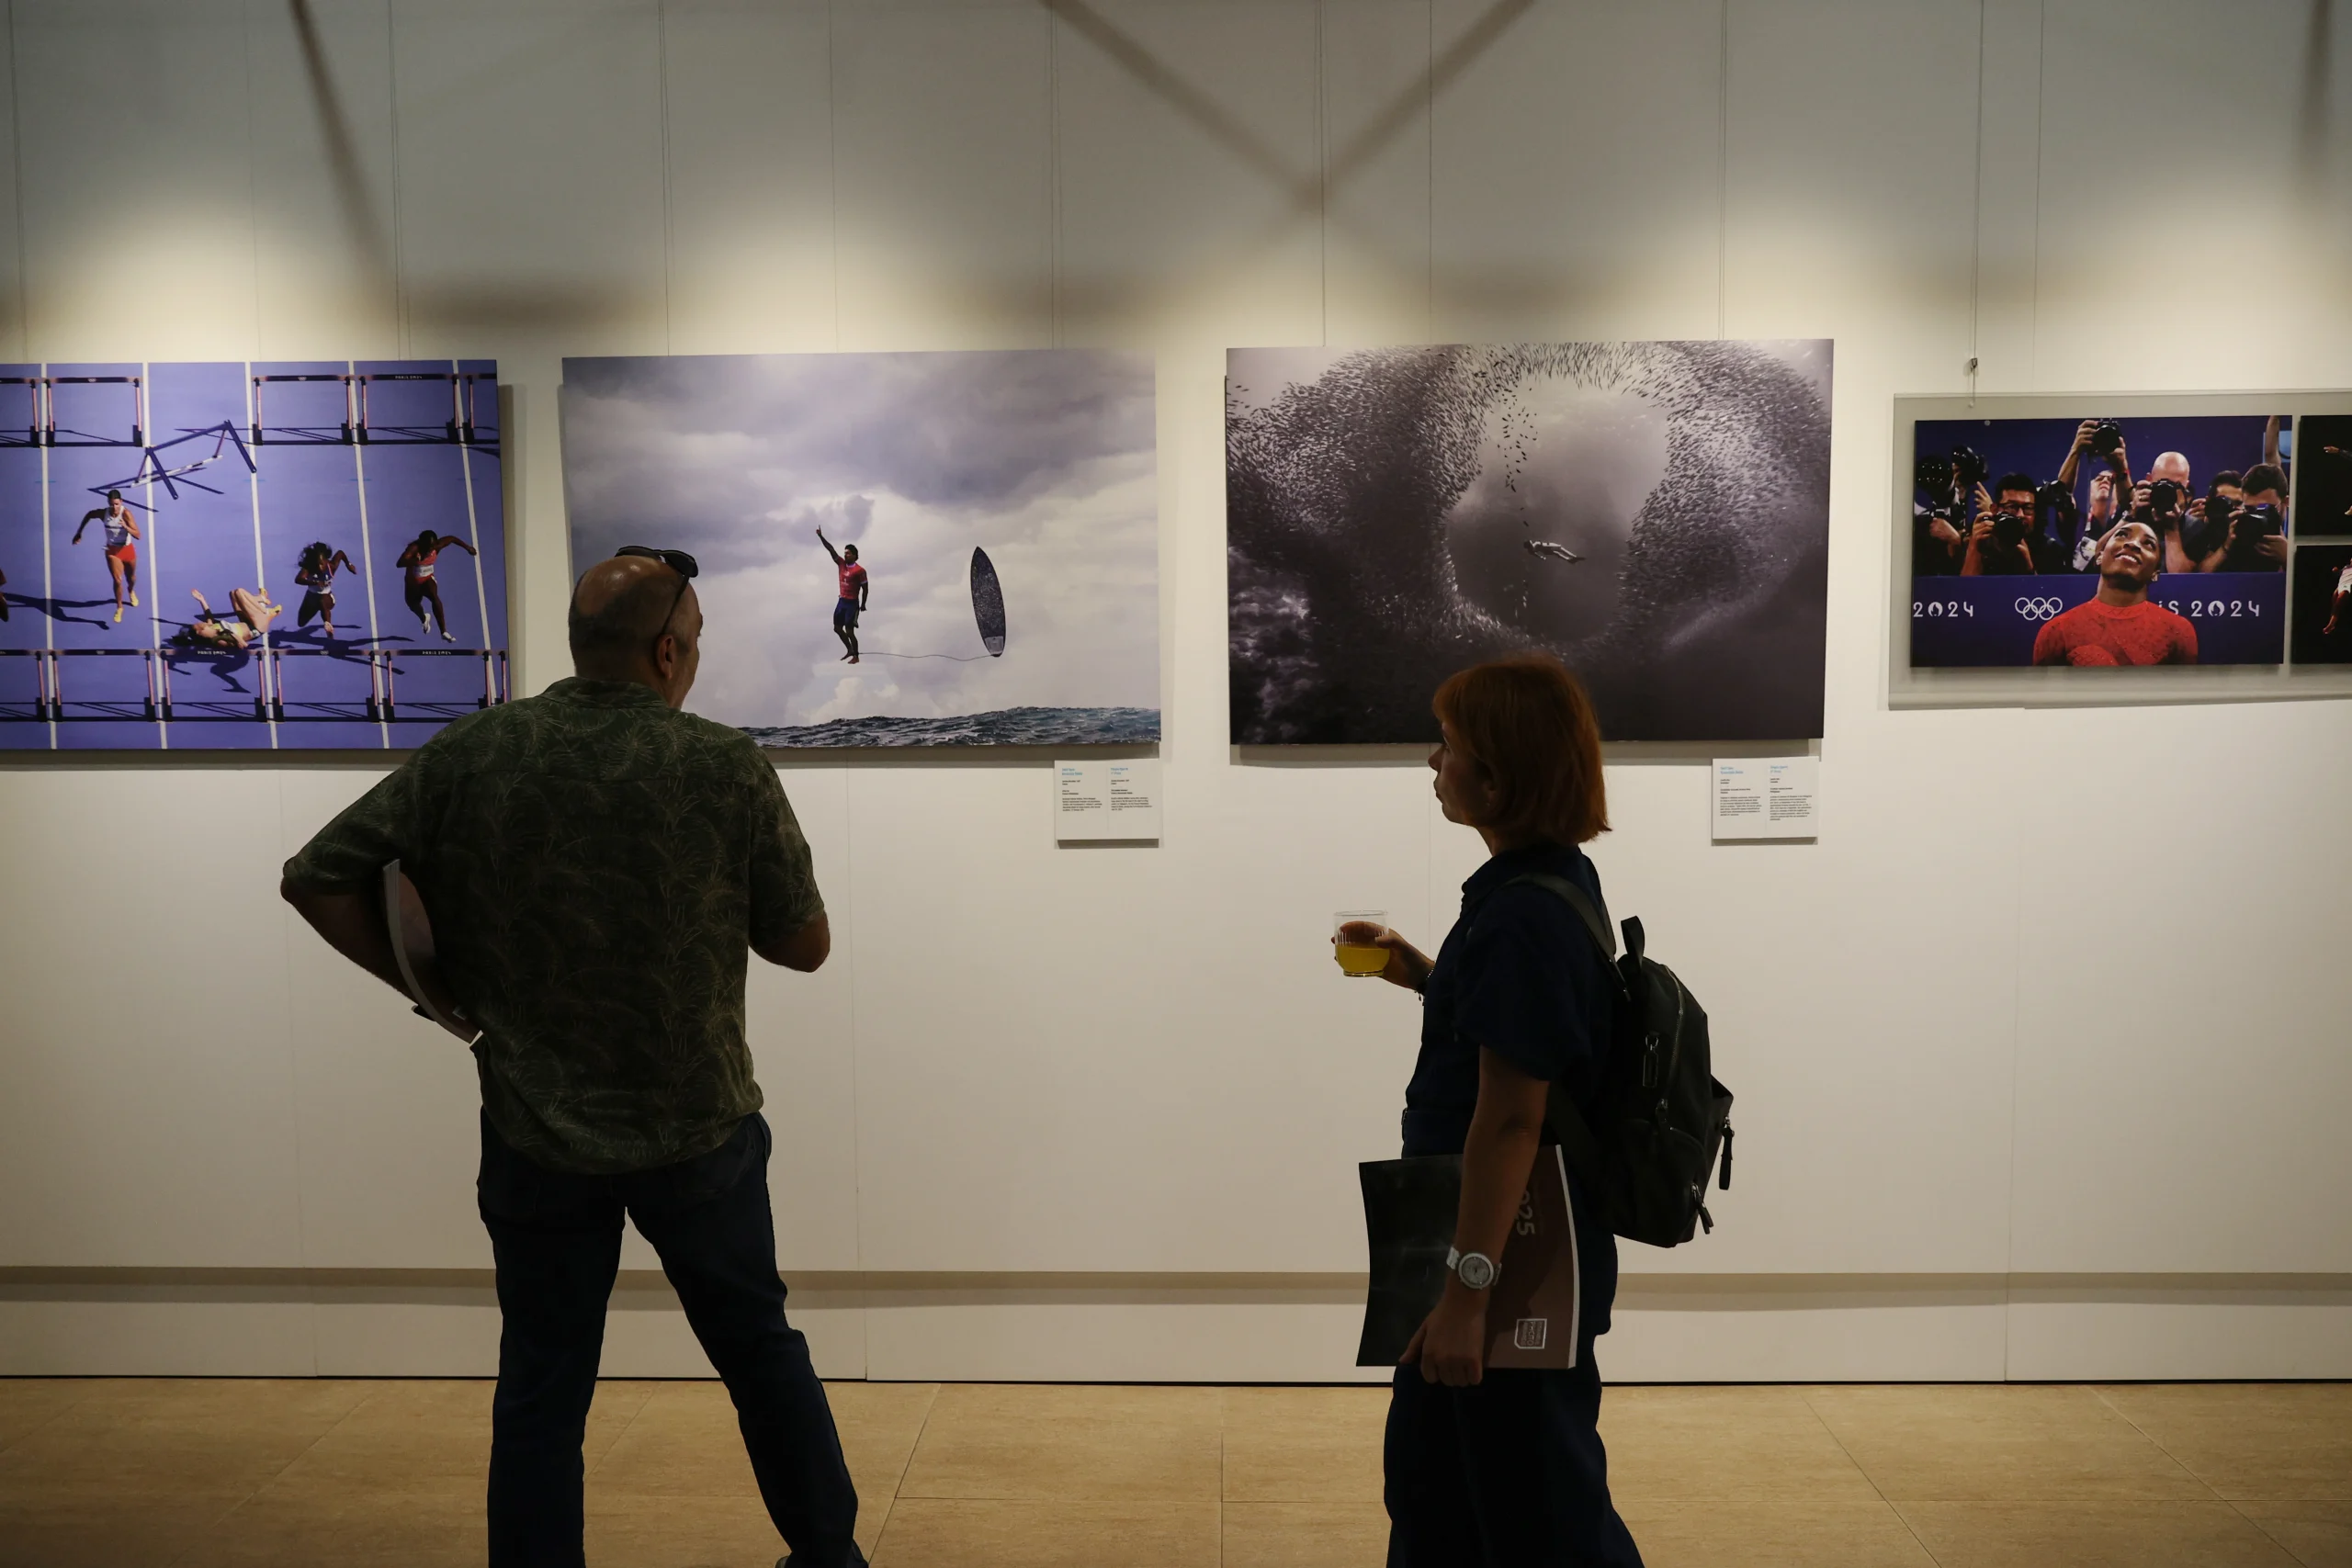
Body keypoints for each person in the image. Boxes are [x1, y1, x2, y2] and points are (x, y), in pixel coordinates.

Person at [278, 548, 863, 1568]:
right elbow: (804, 947)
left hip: (532, 1128)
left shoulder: (476, 752)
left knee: (542, 1385)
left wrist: (438, 999)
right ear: (669, 649)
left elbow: (317, 876)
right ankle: (829, 1557)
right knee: (760, 1355)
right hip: (699, 1127)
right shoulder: (720, 763)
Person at [1338, 654, 1642, 1567]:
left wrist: (1468, 1295)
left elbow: (1511, 1118)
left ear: (1496, 780)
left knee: (1535, 1508)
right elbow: (1521, 1040)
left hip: (1507, 1243)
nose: (1434, 764)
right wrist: (1423, 974)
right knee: (1439, 1487)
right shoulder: (1540, 889)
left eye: (1449, 748)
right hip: (1484, 1229)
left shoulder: (1522, 917)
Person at [2031, 520, 2197, 666]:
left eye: (2148, 544)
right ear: (2099, 556)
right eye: (2122, 535)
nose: (2133, 544)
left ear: (2155, 573)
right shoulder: (2056, 631)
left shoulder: (2179, 632)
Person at [2199, 463, 2290, 573]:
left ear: (2286, 502)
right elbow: (2199, 579)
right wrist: (2226, 547)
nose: (2257, 516)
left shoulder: (2298, 538)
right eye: (2250, 509)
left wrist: (2288, 558)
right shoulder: (2236, 530)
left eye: (2266, 509)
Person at [71, 490, 141, 625]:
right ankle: (119, 607)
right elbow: (89, 515)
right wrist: (79, 532)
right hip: (112, 551)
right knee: (117, 580)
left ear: (121, 502)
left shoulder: (126, 514)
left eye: (116, 504)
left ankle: (131, 591)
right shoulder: (104, 513)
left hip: (127, 550)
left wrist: (126, 527)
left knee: (131, 578)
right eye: (112, 504)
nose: (114, 507)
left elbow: (138, 535)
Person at [397, 528, 476, 642]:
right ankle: (424, 618)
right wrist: (415, 561)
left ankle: (443, 631)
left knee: (434, 596)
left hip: (427, 579)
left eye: (432, 547)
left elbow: (452, 538)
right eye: (428, 547)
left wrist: (467, 547)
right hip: (412, 583)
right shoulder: (414, 549)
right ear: (422, 544)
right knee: (413, 606)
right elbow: (399, 563)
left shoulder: (437, 546)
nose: (431, 549)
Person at [1960, 475, 2039, 575]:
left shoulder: (2048, 550)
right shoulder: (1979, 542)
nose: (2020, 515)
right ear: (1994, 510)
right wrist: (1975, 547)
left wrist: (2028, 567)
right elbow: (1965, 589)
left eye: (2028, 508)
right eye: (2012, 507)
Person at [815, 527, 867, 664]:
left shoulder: (860, 570)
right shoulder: (841, 564)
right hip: (842, 601)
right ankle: (849, 649)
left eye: (849, 554)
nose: (846, 556)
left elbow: (865, 588)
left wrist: (863, 604)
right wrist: (821, 537)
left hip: (852, 604)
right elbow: (831, 550)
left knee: (850, 631)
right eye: (845, 553)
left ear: (855, 555)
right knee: (837, 628)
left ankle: (856, 656)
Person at [182, 585, 283, 651]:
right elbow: (243, 646)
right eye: (203, 626)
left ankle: (262, 599)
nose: (205, 624)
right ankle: (265, 611)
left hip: (247, 621)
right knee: (240, 592)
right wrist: (228, 633)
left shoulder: (211, 627)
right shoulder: (218, 640)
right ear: (202, 633)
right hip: (256, 627)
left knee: (233, 594)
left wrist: (201, 599)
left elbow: (208, 615)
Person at [294, 541, 356, 637]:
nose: (320, 566)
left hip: (327, 598)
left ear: (325, 560)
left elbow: (340, 553)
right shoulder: (308, 568)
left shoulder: (332, 566)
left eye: (321, 563)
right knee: (301, 623)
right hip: (310, 599)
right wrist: (315, 582)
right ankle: (319, 613)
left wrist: (348, 564)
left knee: (322, 601)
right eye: (317, 564)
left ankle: (328, 626)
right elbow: (298, 580)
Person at [2324, 555, 2351, 638]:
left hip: (2348, 585)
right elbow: (2339, 573)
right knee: (2334, 601)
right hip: (2341, 584)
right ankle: (2332, 621)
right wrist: (2335, 571)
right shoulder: (2346, 567)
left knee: (2339, 601)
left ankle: (2331, 624)